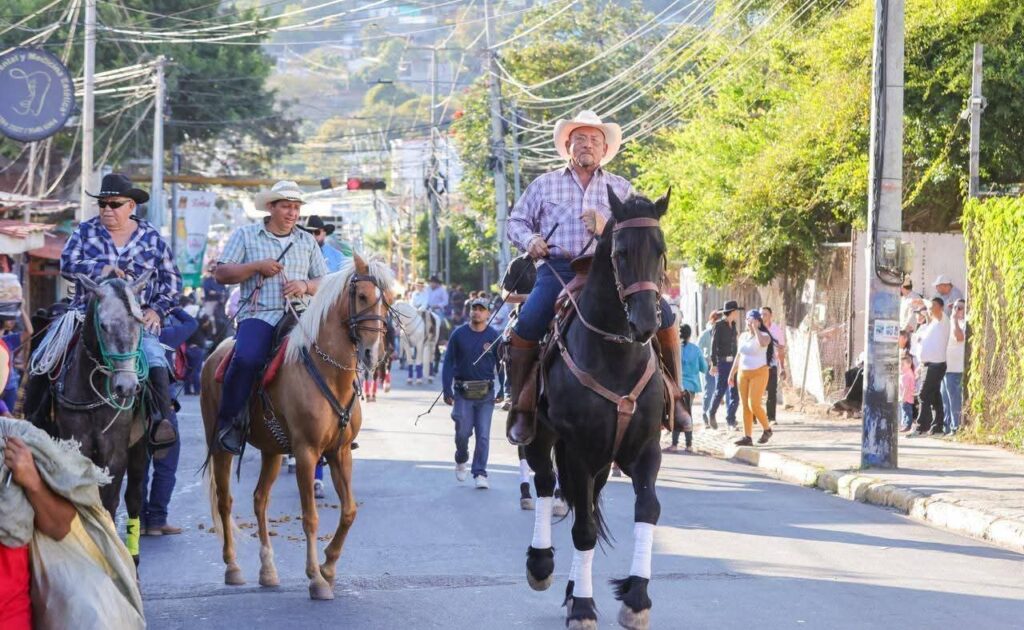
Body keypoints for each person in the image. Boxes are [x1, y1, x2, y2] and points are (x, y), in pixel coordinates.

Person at [502, 110, 680, 445]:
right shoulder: (544, 184)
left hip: (610, 274)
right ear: (568, 145)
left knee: (666, 317)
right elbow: (516, 223)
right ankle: (522, 407)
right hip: (560, 269)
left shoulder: (621, 187)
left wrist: (606, 228)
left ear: (603, 149)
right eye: (580, 139)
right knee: (528, 322)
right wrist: (532, 241)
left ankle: (676, 398)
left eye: (594, 140)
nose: (587, 145)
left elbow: (640, 235)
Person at [25, 173, 181, 453]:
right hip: (85, 315)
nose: (107, 209)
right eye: (102, 204)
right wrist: (100, 269)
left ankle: (160, 421)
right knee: (45, 354)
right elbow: (67, 265)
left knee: (156, 358)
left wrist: (156, 311)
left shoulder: (152, 238)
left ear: (131, 205)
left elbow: (172, 282)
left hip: (133, 322)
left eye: (114, 204)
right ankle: (36, 418)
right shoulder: (85, 231)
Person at [212, 180, 326, 454]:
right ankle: (230, 422)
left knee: (337, 354)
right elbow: (222, 273)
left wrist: (305, 286)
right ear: (271, 207)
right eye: (286, 206)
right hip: (260, 314)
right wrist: (255, 267)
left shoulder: (306, 239)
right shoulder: (245, 235)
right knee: (247, 358)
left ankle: (338, 424)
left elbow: (324, 280)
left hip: (301, 315)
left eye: (296, 207)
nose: (292, 213)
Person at [2, 432, 78, 629]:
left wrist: (33, 482)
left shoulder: (16, 441)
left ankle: (158, 420)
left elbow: (59, 527)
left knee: (159, 404)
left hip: (9, 615)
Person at [141, 306, 197, 536]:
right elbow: (191, 323)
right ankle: (156, 521)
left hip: (133, 407)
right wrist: (169, 307)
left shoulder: (124, 334)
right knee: (166, 466)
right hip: (164, 409)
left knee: (139, 468)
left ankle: (140, 520)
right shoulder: (165, 334)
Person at [442, 297, 500, 489]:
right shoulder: (459, 334)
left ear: (488, 314)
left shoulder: (494, 336)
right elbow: (448, 362)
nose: (477, 312)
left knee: (483, 434)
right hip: (463, 392)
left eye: (481, 309)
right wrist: (446, 388)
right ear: (470, 311)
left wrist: (505, 388)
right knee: (463, 433)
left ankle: (480, 472)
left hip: (486, 393)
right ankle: (461, 457)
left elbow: (502, 365)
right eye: (474, 308)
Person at [727, 310, 774, 446]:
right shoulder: (742, 336)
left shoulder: (765, 335)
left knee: (753, 403)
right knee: (745, 406)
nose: (751, 322)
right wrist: (732, 373)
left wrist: (756, 329)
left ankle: (767, 429)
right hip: (743, 373)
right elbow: (739, 355)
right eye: (749, 320)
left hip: (759, 372)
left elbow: (763, 343)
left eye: (754, 320)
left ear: (759, 322)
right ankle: (747, 436)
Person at [908, 297, 950, 438]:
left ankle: (921, 427)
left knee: (923, 394)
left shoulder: (943, 321)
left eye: (933, 307)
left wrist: (922, 301)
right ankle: (937, 427)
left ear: (941, 308)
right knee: (935, 396)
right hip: (927, 365)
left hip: (936, 365)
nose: (930, 309)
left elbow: (932, 307)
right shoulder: (931, 325)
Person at [665, 324, 706, 453]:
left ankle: (675, 444)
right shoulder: (696, 349)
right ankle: (689, 445)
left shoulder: (673, 349)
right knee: (687, 413)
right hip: (691, 387)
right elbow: (704, 368)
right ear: (689, 335)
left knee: (676, 413)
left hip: (676, 385)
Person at [707, 300, 742, 430]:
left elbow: (735, 345)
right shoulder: (719, 325)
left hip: (733, 363)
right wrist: (714, 363)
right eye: (736, 311)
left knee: (734, 392)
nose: (737, 314)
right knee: (720, 390)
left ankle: (731, 420)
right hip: (721, 363)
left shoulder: (733, 325)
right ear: (732, 312)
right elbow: (713, 345)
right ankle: (711, 413)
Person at [941, 298, 966, 435]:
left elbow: (959, 338)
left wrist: (955, 319)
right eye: (955, 307)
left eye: (960, 308)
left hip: (956, 368)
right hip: (945, 367)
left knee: (954, 399)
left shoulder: (963, 323)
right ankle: (947, 427)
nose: (956, 310)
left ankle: (955, 427)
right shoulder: (949, 323)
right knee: (945, 399)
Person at [760, 306, 786, 424]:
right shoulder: (757, 329)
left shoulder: (776, 330)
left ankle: (771, 418)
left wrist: (782, 367)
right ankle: (755, 416)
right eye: (761, 314)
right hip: (758, 365)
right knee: (758, 392)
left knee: (772, 392)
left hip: (772, 365)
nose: (762, 316)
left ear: (771, 316)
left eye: (765, 314)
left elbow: (780, 349)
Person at [697, 310, 720, 425]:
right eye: (716, 319)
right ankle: (705, 412)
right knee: (709, 391)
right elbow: (698, 349)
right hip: (709, 366)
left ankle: (714, 414)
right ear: (712, 320)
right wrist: (705, 361)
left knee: (721, 392)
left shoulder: (723, 333)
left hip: (721, 365)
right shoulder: (706, 334)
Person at [900, 353, 917, 432]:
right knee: (906, 411)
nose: (901, 366)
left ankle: (907, 425)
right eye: (900, 364)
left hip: (906, 397)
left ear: (909, 364)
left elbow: (906, 387)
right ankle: (905, 424)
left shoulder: (906, 375)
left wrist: (903, 397)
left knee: (906, 411)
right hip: (908, 397)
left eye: (903, 364)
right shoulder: (909, 373)